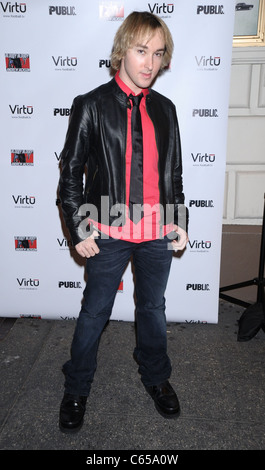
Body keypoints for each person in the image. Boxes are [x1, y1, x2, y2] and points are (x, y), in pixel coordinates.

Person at [58, 11, 188, 433]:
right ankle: (76, 387)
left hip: (155, 232)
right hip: (108, 233)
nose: (149, 62)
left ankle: (155, 376)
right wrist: (79, 230)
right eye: (140, 50)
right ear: (122, 52)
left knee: (152, 309)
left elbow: (174, 175)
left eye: (158, 53)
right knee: (95, 312)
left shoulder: (166, 110)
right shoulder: (91, 105)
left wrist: (179, 218)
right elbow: (70, 175)